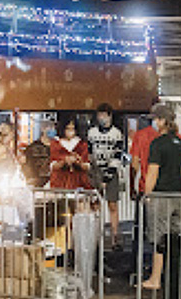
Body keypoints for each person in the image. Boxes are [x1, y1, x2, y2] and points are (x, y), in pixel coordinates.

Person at [140, 103, 181, 291]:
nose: (154, 123)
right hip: (177, 195)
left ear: (162, 121)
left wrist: (147, 194)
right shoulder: (179, 143)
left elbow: (152, 172)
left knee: (159, 240)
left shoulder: (158, 144)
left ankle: (155, 279)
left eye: (156, 119)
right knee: (174, 240)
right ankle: (172, 278)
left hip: (161, 195)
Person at [87, 103, 125, 249]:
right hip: (96, 169)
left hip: (111, 170)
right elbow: (90, 153)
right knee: (94, 204)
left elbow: (117, 155)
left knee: (112, 204)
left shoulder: (116, 133)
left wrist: (108, 176)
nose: (101, 118)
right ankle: (95, 236)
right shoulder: (92, 133)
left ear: (110, 116)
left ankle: (115, 237)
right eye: (99, 115)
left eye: (104, 115)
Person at [49, 117, 93, 190]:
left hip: (78, 180)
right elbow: (53, 165)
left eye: (72, 129)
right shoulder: (56, 143)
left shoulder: (82, 144)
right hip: (60, 181)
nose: (70, 131)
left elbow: (87, 166)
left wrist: (77, 162)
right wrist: (64, 161)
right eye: (68, 129)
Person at [130, 116, 157, 197]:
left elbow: (135, 163)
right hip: (158, 184)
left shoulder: (139, 136)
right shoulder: (159, 135)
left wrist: (132, 186)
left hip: (144, 185)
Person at [22, 123, 54, 188]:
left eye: (53, 128)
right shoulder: (33, 148)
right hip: (36, 183)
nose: (52, 130)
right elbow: (27, 166)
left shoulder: (58, 147)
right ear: (43, 129)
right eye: (50, 128)